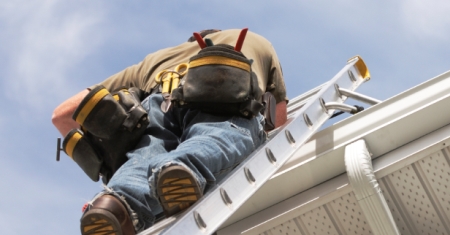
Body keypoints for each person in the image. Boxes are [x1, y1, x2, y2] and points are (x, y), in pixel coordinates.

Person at [51, 29, 287, 234]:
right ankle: (182, 169)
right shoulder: (257, 41)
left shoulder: (153, 60)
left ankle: (114, 205)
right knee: (219, 134)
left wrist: (99, 154)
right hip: (223, 89)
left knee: (143, 158)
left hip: (157, 103)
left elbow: (62, 114)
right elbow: (279, 122)